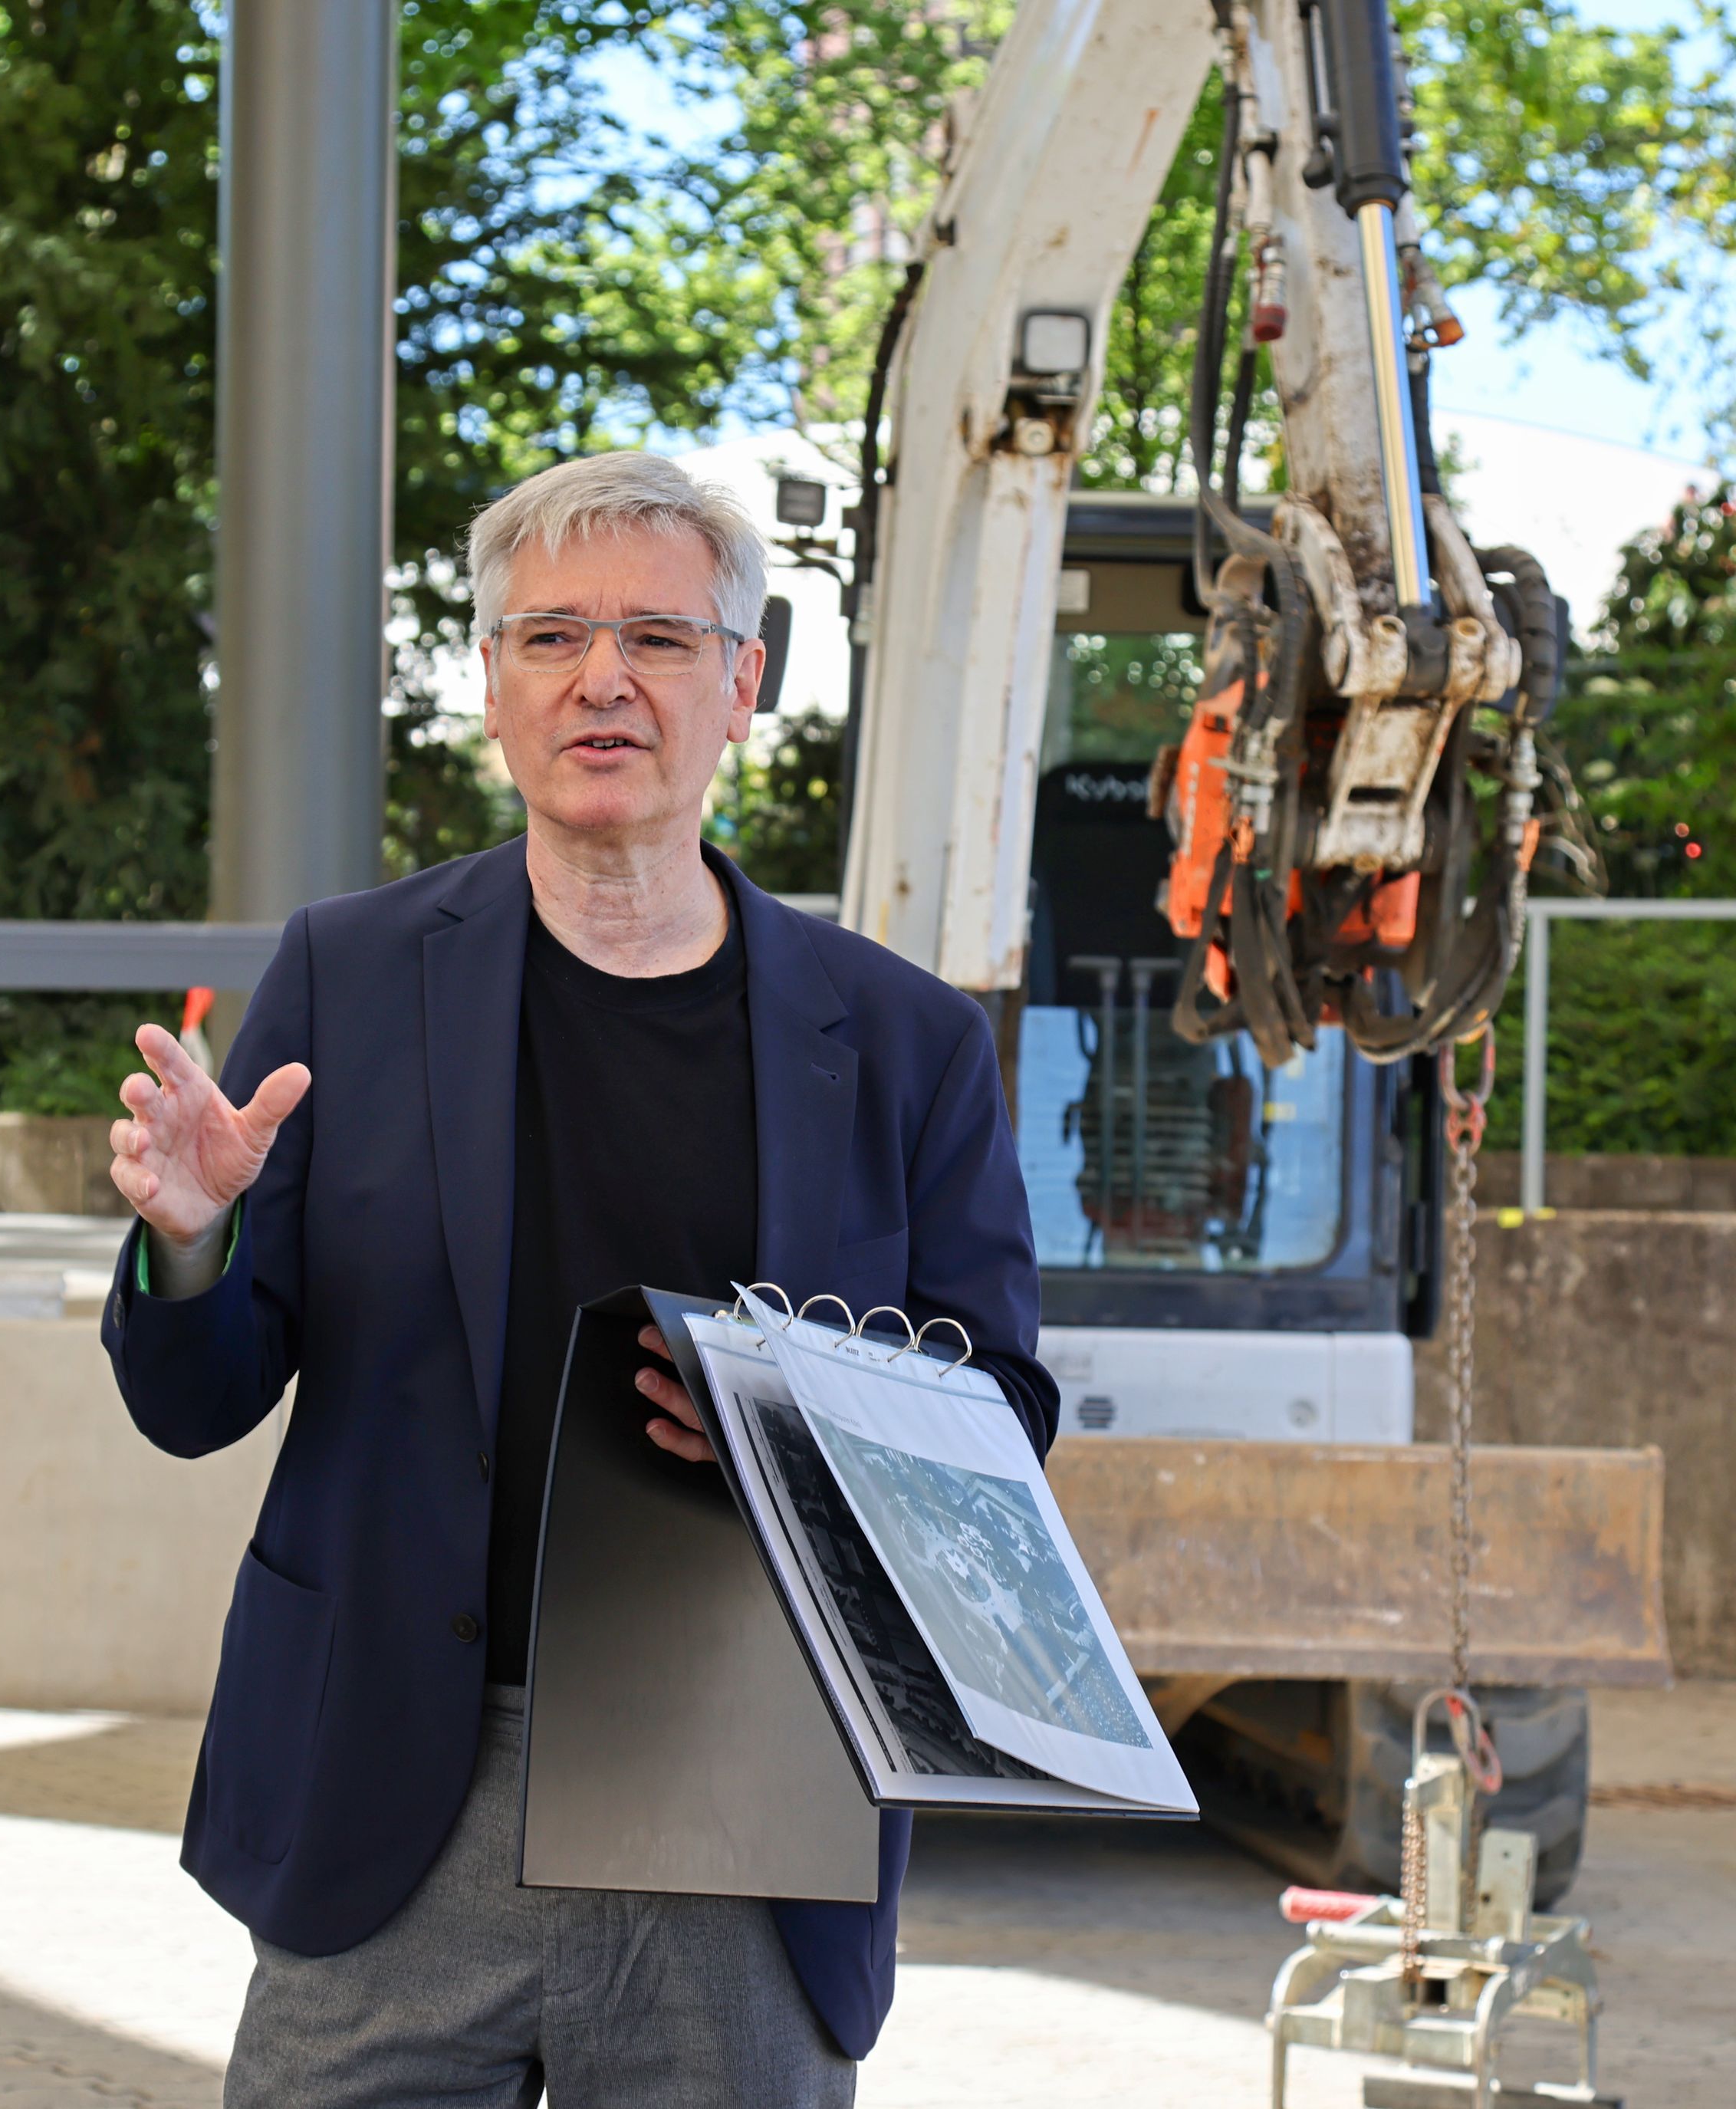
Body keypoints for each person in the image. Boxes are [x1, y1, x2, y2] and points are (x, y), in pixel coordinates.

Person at [100, 451, 1057, 2104]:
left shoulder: (901, 1041)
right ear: (490, 684)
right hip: (394, 1784)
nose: (600, 678)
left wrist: (794, 1436)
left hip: (743, 1784)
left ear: (741, 685)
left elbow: (1000, 1407)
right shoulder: (347, 974)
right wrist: (194, 1238)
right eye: (548, 635)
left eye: (658, 639)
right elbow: (196, 1404)